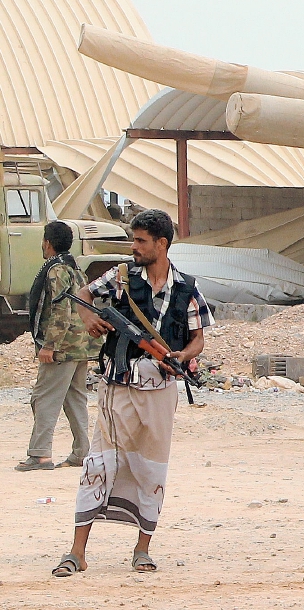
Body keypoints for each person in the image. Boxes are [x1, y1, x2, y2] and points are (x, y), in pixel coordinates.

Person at [52, 209, 212, 577]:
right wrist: (89, 318)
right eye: (133, 239)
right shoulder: (122, 277)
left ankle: (142, 549)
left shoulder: (187, 287)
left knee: (150, 467)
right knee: (99, 463)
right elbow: (83, 293)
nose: (133, 247)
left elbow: (197, 338)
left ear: (162, 244)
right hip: (117, 385)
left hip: (160, 389)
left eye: (140, 241)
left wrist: (181, 356)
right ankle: (77, 552)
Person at [15, 222, 99, 472]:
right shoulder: (76, 269)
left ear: (48, 243)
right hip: (81, 345)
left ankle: (40, 454)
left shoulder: (56, 271)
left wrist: (49, 345)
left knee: (44, 398)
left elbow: (60, 309)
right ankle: (82, 453)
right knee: (75, 399)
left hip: (63, 347)